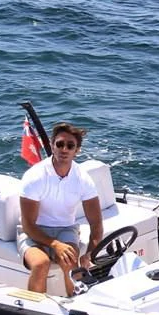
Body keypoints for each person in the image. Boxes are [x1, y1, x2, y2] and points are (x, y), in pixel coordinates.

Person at [17, 121, 103, 296]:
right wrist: (55, 245)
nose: (64, 149)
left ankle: (77, 309)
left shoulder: (83, 180)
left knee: (71, 262)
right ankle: (36, 311)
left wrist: (90, 254)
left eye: (70, 146)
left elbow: (96, 223)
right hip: (34, 231)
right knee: (41, 264)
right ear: (51, 145)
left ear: (77, 150)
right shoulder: (35, 177)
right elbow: (28, 226)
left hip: (66, 229)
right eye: (60, 144)